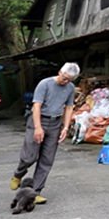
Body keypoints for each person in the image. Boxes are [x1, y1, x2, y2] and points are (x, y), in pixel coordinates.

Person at [9, 62, 80, 204]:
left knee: (47, 160)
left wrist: (65, 127)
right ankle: (18, 174)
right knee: (30, 156)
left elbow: (69, 107)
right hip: (38, 119)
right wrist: (38, 127)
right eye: (64, 78)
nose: (65, 82)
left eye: (69, 80)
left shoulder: (70, 88)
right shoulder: (45, 84)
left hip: (55, 123)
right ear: (60, 71)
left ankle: (35, 192)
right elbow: (36, 106)